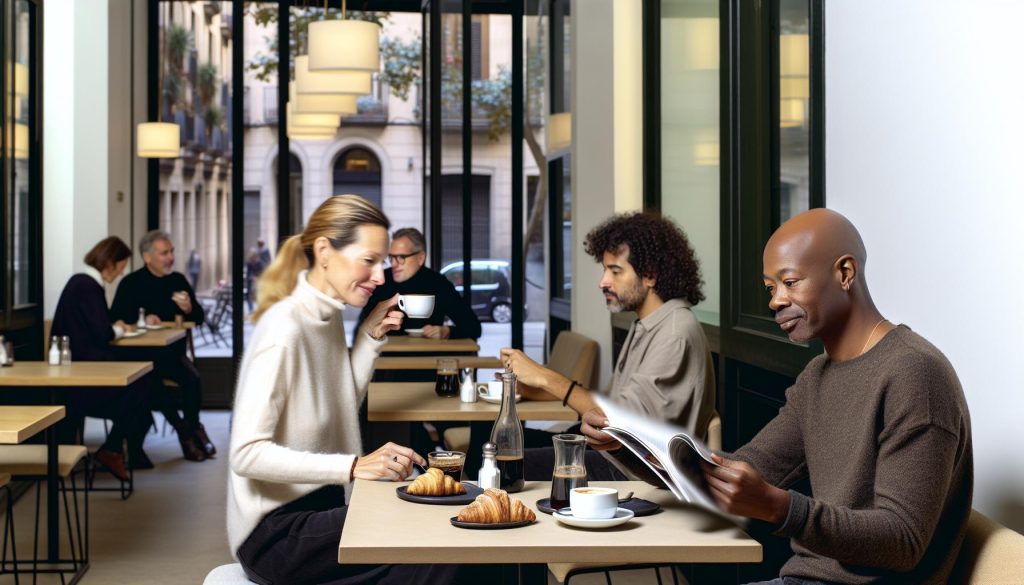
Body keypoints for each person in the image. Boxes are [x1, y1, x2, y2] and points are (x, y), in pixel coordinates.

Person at [693, 209, 973, 585]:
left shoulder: (915, 374)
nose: (776, 301)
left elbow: (903, 540)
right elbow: (749, 466)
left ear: (844, 273)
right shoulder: (819, 375)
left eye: (790, 282)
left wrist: (781, 509)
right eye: (770, 288)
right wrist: (638, 448)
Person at [228, 195, 495, 585]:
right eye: (368, 260)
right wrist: (353, 465)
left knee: (451, 525)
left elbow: (339, 406)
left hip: (319, 509)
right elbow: (245, 454)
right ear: (324, 251)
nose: (382, 276)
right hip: (276, 535)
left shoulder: (326, 316)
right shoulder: (284, 328)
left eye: (383, 261)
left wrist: (370, 337)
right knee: (447, 540)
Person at [502, 212, 716, 481]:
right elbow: (612, 401)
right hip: (614, 456)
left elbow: (614, 420)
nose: (603, 282)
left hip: (633, 472)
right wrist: (537, 390)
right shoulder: (647, 323)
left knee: (503, 459)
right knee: (497, 442)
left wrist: (545, 377)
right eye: (605, 270)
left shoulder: (674, 334)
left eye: (615, 271)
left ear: (650, 275)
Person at [50, 236, 155, 479]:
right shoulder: (87, 286)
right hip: (83, 379)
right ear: (109, 261)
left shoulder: (80, 283)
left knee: (143, 392)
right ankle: (113, 450)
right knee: (143, 388)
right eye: (120, 266)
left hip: (80, 372)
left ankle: (115, 450)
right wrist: (119, 328)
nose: (120, 273)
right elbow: (102, 332)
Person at [110, 229, 214, 462]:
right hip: (140, 357)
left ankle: (194, 427)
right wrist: (142, 321)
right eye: (164, 253)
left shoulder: (178, 281)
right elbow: (114, 318)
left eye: (171, 252)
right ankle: (184, 432)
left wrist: (188, 309)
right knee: (152, 383)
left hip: (171, 354)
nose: (170, 257)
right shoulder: (131, 283)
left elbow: (198, 317)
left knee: (192, 378)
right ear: (148, 258)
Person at [356, 227, 481, 340]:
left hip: (426, 358)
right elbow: (361, 330)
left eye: (401, 257)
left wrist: (446, 331)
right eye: (391, 257)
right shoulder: (381, 280)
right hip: (385, 359)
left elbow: (474, 327)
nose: (394, 264)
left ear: (420, 258)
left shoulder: (438, 283)